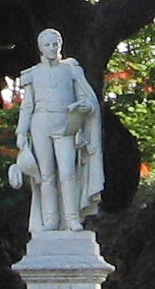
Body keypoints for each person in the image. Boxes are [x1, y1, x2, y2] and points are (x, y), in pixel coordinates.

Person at [7, 27, 104, 232]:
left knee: (68, 173)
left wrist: (84, 106)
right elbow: (27, 106)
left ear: (60, 45)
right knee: (46, 175)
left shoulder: (71, 69)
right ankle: (51, 219)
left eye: (55, 44)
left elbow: (86, 98)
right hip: (40, 124)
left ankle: (71, 218)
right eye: (47, 45)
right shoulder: (32, 74)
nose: (52, 48)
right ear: (41, 48)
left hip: (65, 124)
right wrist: (21, 133)